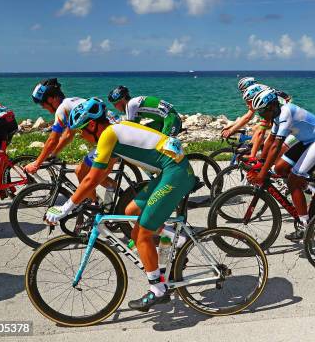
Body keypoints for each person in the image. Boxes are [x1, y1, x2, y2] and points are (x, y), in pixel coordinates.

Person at [44, 98, 196, 312]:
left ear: (93, 125)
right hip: (170, 171)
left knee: (142, 234)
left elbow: (91, 179)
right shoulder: (113, 132)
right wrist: (86, 197)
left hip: (175, 174)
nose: (82, 136)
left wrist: (65, 208)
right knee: (130, 211)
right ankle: (174, 238)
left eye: (82, 131)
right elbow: (102, 173)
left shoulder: (109, 134)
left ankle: (158, 289)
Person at [249, 89, 315, 241]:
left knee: (293, 180)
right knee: (280, 168)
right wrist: (260, 162)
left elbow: (277, 145)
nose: (260, 115)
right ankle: (312, 188)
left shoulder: (285, 113)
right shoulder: (276, 115)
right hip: (307, 140)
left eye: (261, 111)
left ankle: (305, 224)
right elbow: (270, 141)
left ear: (271, 106)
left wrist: (262, 174)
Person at [25, 79, 115, 202]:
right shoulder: (71, 102)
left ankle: (95, 206)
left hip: (109, 139)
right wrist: (54, 154)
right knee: (91, 171)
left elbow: (53, 139)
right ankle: (108, 195)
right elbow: (68, 135)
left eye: (42, 104)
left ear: (51, 99)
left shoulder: (62, 109)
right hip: (114, 130)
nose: (43, 107)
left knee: (81, 171)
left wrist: (37, 164)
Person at [107, 86, 182, 137]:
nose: (115, 107)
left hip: (171, 120)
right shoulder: (135, 104)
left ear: (121, 101)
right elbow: (137, 128)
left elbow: (129, 128)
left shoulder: (130, 105)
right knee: (145, 131)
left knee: (165, 147)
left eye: (115, 104)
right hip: (168, 120)